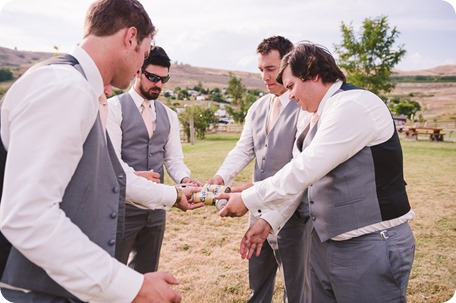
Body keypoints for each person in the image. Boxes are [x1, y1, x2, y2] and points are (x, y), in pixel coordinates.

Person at [0, 0, 183, 302]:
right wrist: (129, 286)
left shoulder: (77, 86)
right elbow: (28, 215)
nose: (142, 65)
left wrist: (173, 195)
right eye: (145, 51)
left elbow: (113, 177)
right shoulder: (66, 88)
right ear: (130, 37)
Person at [218, 41, 416, 303]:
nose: (289, 95)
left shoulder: (354, 104)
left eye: (291, 86)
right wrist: (263, 211)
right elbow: (298, 175)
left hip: (370, 244)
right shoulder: (314, 115)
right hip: (325, 244)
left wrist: (247, 198)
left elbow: (305, 168)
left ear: (313, 74)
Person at [207, 36, 311, 303]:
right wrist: (222, 175)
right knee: (258, 285)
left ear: (288, 66)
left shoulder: (305, 109)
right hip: (257, 211)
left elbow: (301, 168)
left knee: (296, 290)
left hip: (292, 217)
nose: (264, 77)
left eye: (270, 69)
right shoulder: (257, 107)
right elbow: (244, 149)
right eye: (261, 70)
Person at [107, 45, 203, 274]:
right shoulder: (113, 108)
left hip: (158, 209)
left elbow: (173, 159)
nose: (158, 84)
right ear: (138, 71)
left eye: (164, 79)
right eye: (152, 77)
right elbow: (112, 161)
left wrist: (185, 179)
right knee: (115, 275)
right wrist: (135, 176)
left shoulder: (170, 115)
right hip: (122, 208)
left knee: (147, 273)